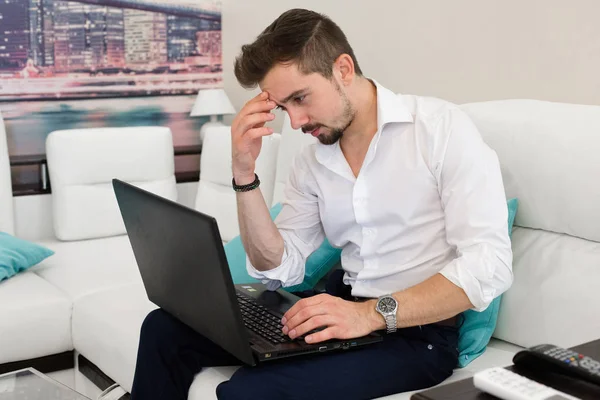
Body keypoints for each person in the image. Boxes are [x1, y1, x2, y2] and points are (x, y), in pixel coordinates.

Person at [130, 8, 513, 400]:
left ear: (343, 69)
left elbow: (490, 264)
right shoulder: (312, 161)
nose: (295, 122)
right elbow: (279, 265)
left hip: (415, 336)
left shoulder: (440, 129)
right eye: (283, 107)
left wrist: (367, 315)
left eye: (300, 98)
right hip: (338, 310)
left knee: (249, 393)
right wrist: (244, 173)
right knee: (163, 329)